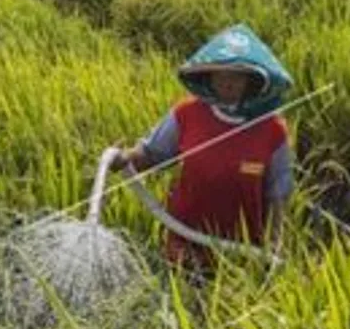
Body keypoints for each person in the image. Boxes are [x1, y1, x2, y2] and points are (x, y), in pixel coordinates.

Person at [110, 24, 295, 277]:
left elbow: (279, 194)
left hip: (242, 251)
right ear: (208, 78)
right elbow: (152, 154)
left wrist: (274, 244)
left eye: (237, 76)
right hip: (184, 239)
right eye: (220, 76)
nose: (228, 84)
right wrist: (123, 158)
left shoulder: (273, 130)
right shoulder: (187, 114)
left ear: (252, 81)